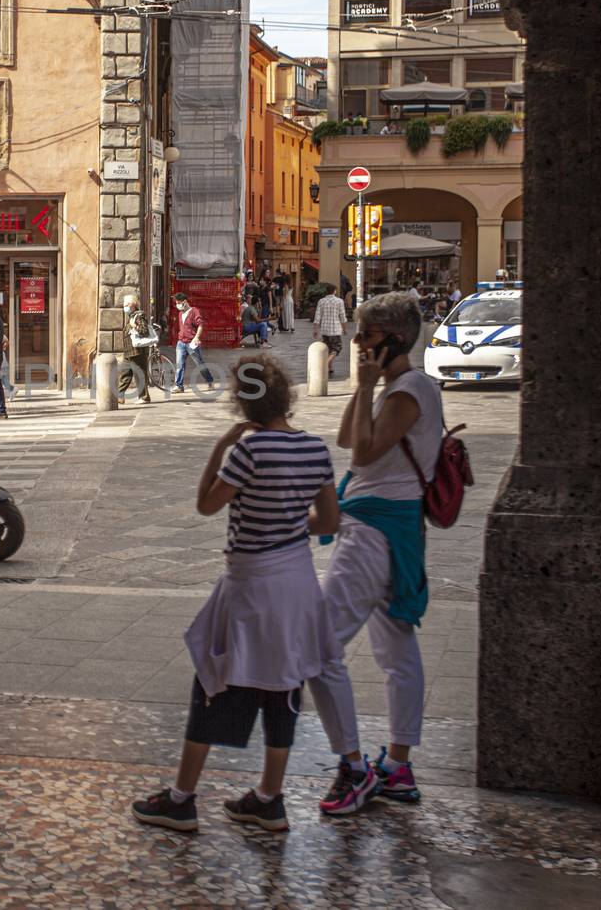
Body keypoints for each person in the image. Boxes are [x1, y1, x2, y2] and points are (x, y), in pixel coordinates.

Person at [131, 356, 341, 834]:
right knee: (284, 687)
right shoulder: (314, 449)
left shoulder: (248, 452)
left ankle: (182, 799)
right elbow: (329, 523)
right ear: (286, 397)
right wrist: (288, 528)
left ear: (243, 403)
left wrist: (220, 448)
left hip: (250, 585)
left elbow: (207, 505)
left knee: (213, 679)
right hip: (298, 583)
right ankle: (269, 799)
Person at [307, 292, 445, 816]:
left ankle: (354, 767)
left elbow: (364, 454)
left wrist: (367, 388)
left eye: (366, 336)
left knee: (319, 645)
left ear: (395, 340)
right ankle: (399, 767)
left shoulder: (410, 390)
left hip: (373, 532)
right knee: (396, 652)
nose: (357, 343)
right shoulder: (395, 389)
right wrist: (362, 391)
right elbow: (349, 438)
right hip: (388, 529)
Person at [118, 294, 154, 404]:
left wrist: (134, 326)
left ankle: (144, 397)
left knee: (139, 374)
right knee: (124, 373)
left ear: (132, 305)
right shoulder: (132, 316)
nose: (124, 307)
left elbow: (144, 331)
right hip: (129, 352)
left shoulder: (139, 315)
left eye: (126, 305)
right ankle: (119, 396)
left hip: (137, 352)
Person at [172, 292, 209, 393]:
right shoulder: (180, 313)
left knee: (199, 363)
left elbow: (200, 325)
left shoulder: (194, 311)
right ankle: (179, 386)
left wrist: (196, 337)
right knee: (179, 364)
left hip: (192, 343)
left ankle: (209, 380)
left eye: (178, 302)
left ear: (185, 302)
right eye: (176, 303)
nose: (177, 305)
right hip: (181, 343)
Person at [313, 283, 348, 374]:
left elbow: (317, 317)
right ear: (334, 291)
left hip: (324, 330)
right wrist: (344, 329)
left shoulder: (321, 301)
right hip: (335, 330)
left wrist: (315, 330)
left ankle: (330, 368)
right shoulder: (339, 301)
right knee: (337, 348)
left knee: (328, 348)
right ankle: (326, 363)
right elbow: (343, 317)